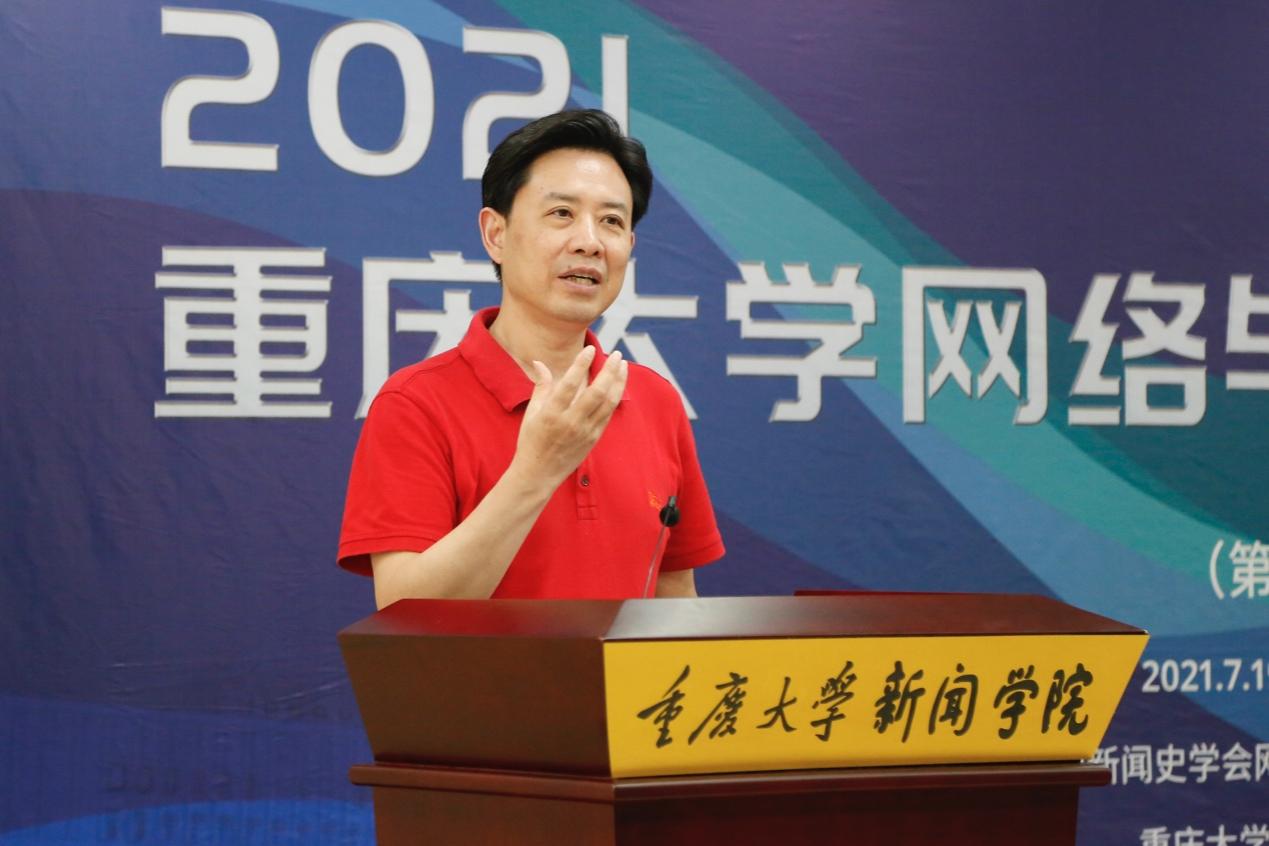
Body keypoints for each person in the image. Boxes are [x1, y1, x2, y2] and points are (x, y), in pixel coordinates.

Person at [337, 109, 724, 607]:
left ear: (629, 246)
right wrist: (537, 471)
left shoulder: (656, 401)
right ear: (495, 234)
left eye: (611, 221)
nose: (589, 242)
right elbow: (405, 615)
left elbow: (675, 596)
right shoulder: (415, 404)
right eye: (561, 213)